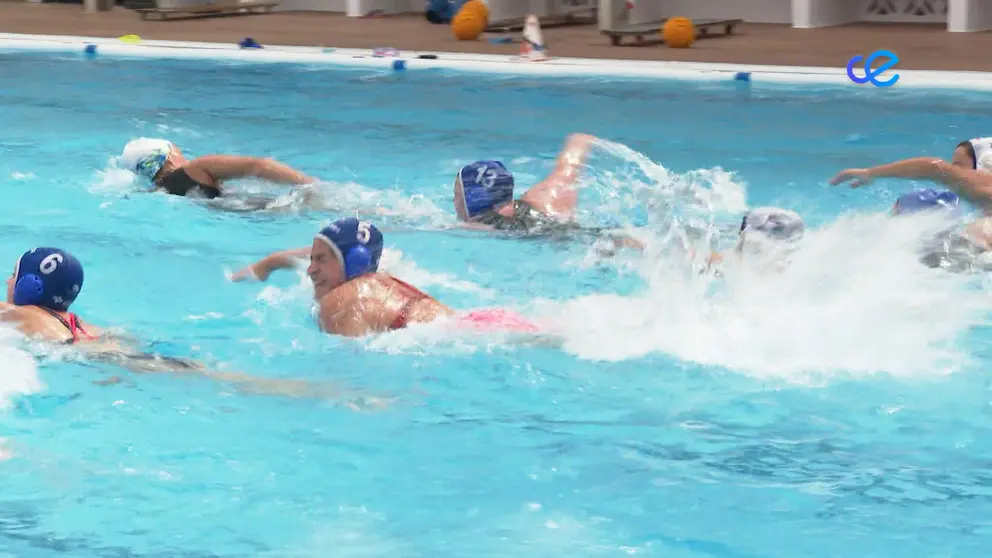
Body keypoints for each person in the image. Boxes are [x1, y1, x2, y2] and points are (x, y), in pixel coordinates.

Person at [1, 247, 381, 406]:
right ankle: (326, 393)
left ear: (30, 286)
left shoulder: (21, 314)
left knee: (220, 380)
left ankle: (323, 394)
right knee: (218, 376)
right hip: (112, 353)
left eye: (12, 274)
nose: (6, 280)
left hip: (101, 359)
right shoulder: (75, 321)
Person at [230, 217, 541, 338]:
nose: (310, 270)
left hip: (485, 338)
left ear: (353, 262)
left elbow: (348, 385)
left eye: (321, 260)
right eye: (311, 259)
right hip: (488, 323)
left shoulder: (344, 302)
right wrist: (270, 262)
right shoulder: (379, 280)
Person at [453, 133, 596, 235]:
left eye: (457, 195)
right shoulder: (545, 198)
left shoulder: (477, 227)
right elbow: (574, 153)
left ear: (473, 200)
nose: (454, 201)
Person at [829, 136, 992, 213]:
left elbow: (933, 168)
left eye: (958, 167)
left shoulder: (983, 189)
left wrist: (870, 173)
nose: (953, 171)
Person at [118, 137, 314, 199]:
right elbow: (259, 165)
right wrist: (310, 184)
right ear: (168, 156)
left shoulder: (159, 191)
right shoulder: (198, 167)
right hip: (272, 210)